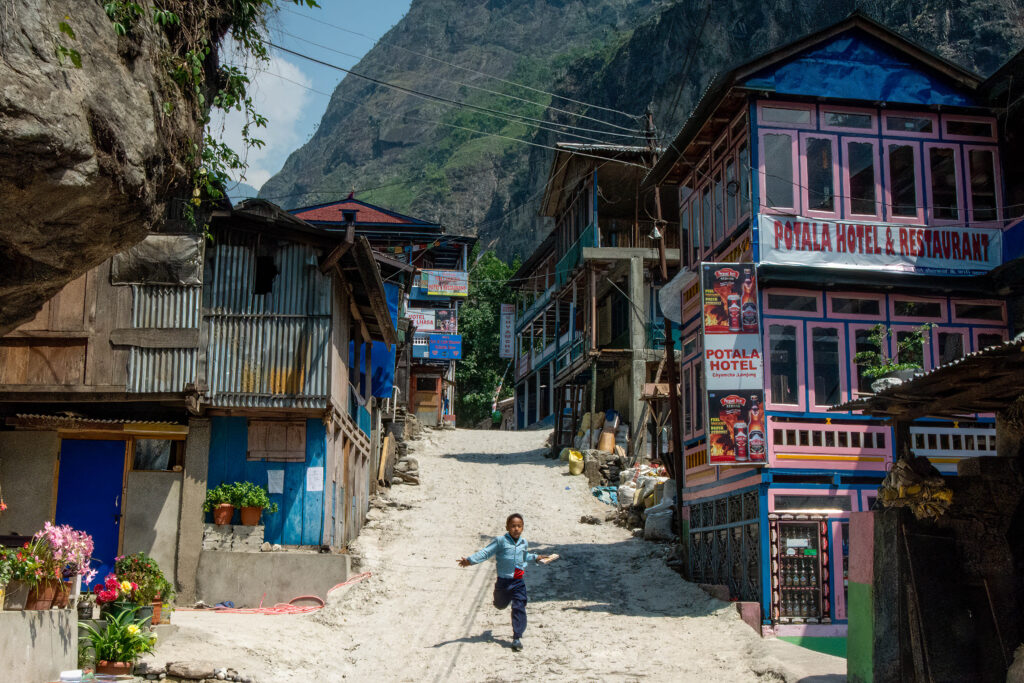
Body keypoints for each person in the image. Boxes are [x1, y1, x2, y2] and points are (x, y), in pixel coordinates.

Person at [457, 513, 550, 651]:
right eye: (513, 526)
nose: (516, 529)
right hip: (503, 581)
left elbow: (524, 556)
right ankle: (499, 602)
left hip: (518, 580)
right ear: (507, 527)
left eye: (519, 526)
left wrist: (536, 557)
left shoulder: (524, 543)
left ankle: (517, 637)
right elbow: (486, 552)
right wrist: (470, 560)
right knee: (500, 605)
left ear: (523, 527)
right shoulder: (500, 541)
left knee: (519, 606)